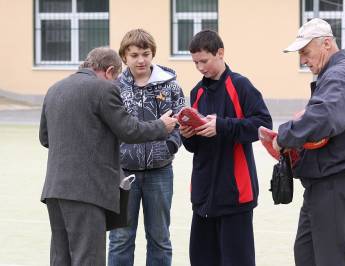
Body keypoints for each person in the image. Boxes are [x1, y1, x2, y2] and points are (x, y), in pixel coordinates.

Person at [39, 47, 177, 266]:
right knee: (89, 259)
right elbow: (129, 130)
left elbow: (45, 138)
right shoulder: (103, 89)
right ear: (110, 71)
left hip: (55, 191)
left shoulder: (55, 89)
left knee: (61, 258)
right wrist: (161, 126)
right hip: (88, 192)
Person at [273, 18, 345, 266]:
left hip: (334, 181)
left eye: (306, 52)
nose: (303, 60)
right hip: (327, 181)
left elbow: (323, 117)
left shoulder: (338, 76)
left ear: (326, 44)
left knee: (329, 259)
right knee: (307, 254)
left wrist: (284, 136)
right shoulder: (344, 73)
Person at [180, 30, 272, 266]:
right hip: (202, 196)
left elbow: (263, 125)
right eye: (195, 63)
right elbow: (194, 147)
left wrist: (221, 125)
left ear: (220, 53)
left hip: (235, 195)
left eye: (204, 61)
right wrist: (187, 135)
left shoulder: (240, 85)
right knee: (201, 260)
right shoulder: (197, 92)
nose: (200, 68)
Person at [107, 29, 185, 266]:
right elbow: (106, 127)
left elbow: (182, 121)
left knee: (160, 238)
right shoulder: (114, 88)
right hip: (122, 174)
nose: (141, 60)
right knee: (120, 238)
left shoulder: (170, 85)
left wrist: (169, 147)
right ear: (124, 57)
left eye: (146, 53)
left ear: (152, 54)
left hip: (160, 173)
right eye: (134, 55)